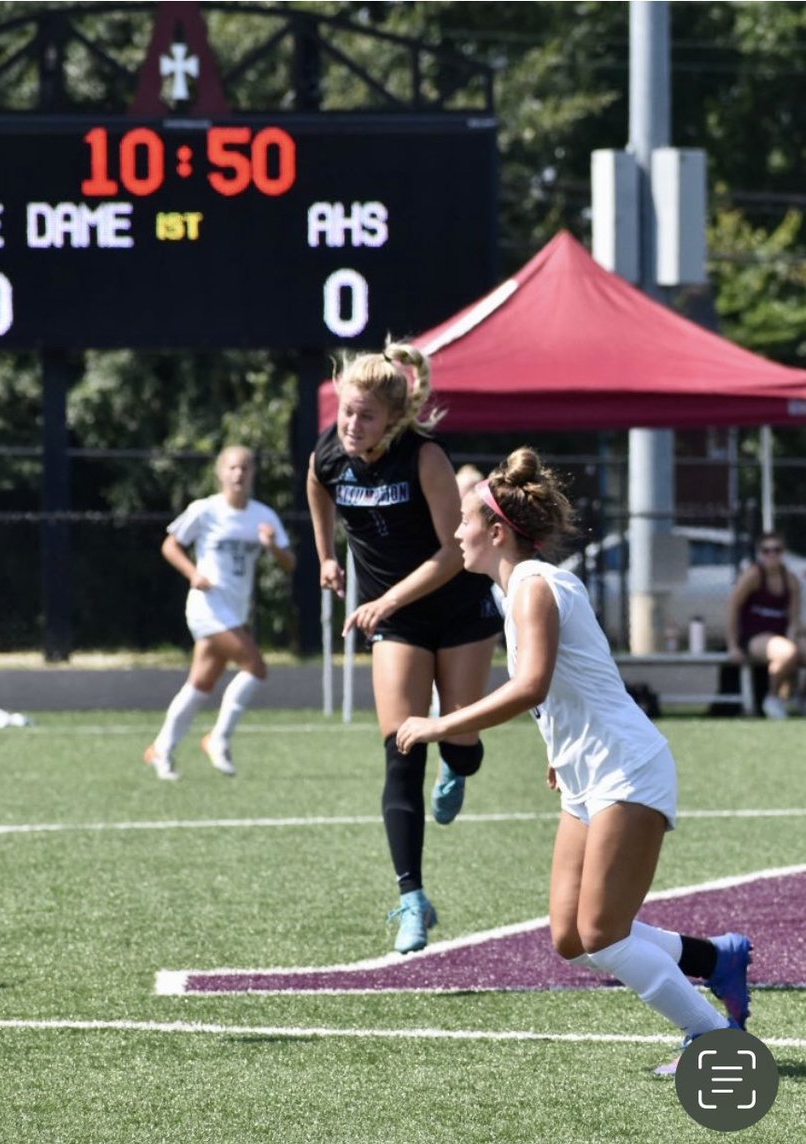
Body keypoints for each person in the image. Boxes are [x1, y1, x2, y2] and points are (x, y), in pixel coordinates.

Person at [395, 446, 752, 1075]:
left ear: (497, 533)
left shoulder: (534, 585)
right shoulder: (517, 590)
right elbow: (573, 682)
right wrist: (558, 748)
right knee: (571, 936)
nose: (455, 532)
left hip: (626, 768)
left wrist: (441, 724)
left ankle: (712, 1038)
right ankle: (715, 958)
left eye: (465, 521)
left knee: (603, 935)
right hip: (587, 772)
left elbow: (531, 684)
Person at [306, 340, 503, 954]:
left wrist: (385, 600)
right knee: (401, 748)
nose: (351, 425)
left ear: (393, 418)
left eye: (366, 416)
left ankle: (459, 763)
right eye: (347, 412)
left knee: (462, 743)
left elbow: (453, 553)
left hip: (458, 608)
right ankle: (412, 898)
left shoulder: (425, 456)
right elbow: (316, 488)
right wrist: (327, 556)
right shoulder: (330, 454)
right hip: (397, 623)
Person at [144, 446, 295, 780]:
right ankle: (218, 738)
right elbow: (170, 545)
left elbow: (290, 563)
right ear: (220, 472)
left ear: (253, 473)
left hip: (235, 611)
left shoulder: (263, 515)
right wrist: (193, 573)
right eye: (232, 468)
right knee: (256, 667)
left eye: (245, 468)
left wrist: (271, 546)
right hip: (207, 606)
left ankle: (161, 749)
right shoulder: (206, 510)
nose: (238, 474)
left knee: (201, 684)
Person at [725, 530, 803, 720]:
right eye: (766, 550)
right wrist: (733, 646)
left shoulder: (790, 580)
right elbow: (732, 608)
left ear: (783, 552)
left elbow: (794, 618)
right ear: (760, 553)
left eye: (777, 550)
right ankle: (772, 698)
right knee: (786, 652)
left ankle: (800, 696)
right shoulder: (753, 576)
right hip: (755, 638)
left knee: (792, 648)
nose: (772, 555)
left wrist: (793, 636)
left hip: (782, 635)